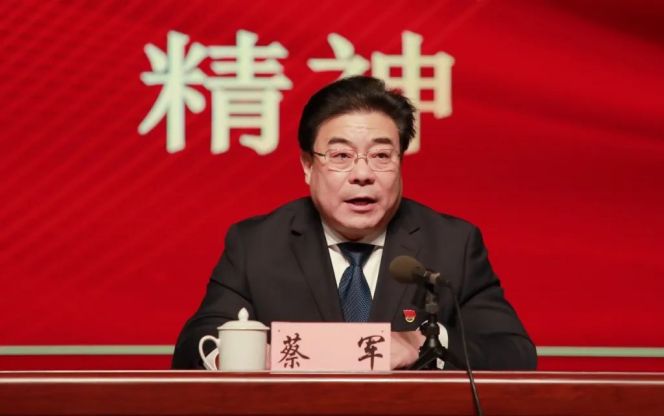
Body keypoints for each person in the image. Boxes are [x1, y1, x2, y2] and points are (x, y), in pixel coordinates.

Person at [172, 76, 537, 370]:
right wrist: (242, 355)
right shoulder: (257, 243)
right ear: (308, 166)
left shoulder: (452, 243)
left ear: (401, 161)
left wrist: (425, 343)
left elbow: (514, 354)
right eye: (341, 155)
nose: (362, 174)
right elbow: (194, 346)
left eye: (381, 155)